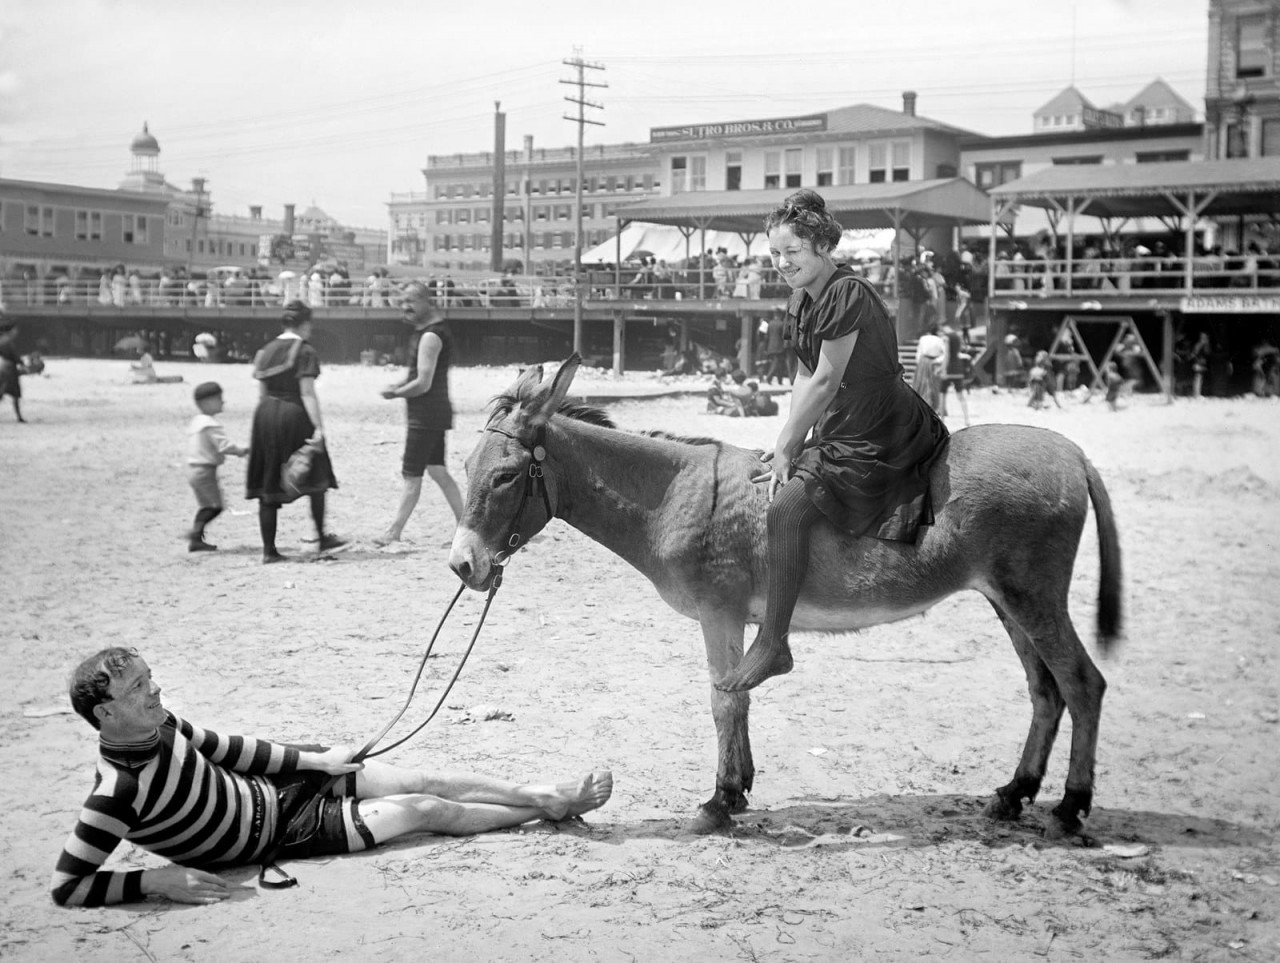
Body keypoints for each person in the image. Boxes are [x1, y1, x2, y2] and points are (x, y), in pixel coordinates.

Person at [51, 647, 613, 908]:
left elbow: (234, 750)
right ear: (104, 714)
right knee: (423, 809)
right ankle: (546, 810)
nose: (155, 692)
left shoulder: (164, 723)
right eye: (138, 689)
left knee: (420, 776)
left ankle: (538, 792)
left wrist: (316, 762)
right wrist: (155, 882)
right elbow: (67, 887)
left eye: (151, 678)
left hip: (282, 787)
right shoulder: (115, 795)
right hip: (280, 835)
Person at [717, 189, 948, 691]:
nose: (781, 263)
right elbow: (804, 376)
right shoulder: (801, 299)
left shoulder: (847, 293)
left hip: (880, 424)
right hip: (841, 421)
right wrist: (790, 439)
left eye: (792, 253)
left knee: (785, 509)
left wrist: (787, 445)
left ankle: (774, 642)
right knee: (777, 479)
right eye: (774, 254)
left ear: (823, 246)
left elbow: (826, 379)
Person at [245, 301, 345, 563]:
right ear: (305, 323)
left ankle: (269, 551)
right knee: (316, 474)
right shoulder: (305, 350)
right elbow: (307, 392)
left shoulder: (265, 351)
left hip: (265, 415)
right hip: (293, 413)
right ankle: (321, 537)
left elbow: (262, 393)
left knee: (268, 482)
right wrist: (319, 428)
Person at [375, 282, 464, 547]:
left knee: (411, 475)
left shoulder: (430, 336)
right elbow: (422, 377)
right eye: (402, 302)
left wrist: (396, 393)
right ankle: (466, 526)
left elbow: (423, 383)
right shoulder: (431, 331)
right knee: (438, 472)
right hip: (434, 414)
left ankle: (394, 531)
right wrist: (400, 387)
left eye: (411, 301)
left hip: (425, 417)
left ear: (427, 301)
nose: (405, 307)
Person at [185, 382, 249, 552]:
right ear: (207, 403)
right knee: (215, 506)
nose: (223, 402)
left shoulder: (196, 422)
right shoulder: (210, 424)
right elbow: (224, 446)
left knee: (206, 506)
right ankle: (195, 535)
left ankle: (196, 538)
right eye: (219, 399)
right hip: (205, 470)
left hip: (193, 469)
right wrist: (242, 451)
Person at [939, 321, 971, 426]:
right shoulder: (958, 336)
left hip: (949, 368)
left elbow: (947, 354)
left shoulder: (946, 338)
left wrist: (942, 368)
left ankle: (942, 420)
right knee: (961, 395)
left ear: (943, 327)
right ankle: (966, 419)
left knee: (942, 394)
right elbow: (958, 351)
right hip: (958, 367)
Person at [911, 323, 946, 415]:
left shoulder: (923, 338)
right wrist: (938, 361)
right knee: (933, 384)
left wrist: (919, 363)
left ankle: (920, 405)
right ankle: (934, 406)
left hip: (923, 361)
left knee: (921, 384)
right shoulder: (940, 340)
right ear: (937, 332)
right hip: (933, 362)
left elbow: (919, 352)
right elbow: (944, 354)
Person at [0, 318, 26, 422]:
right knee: (15, 394)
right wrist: (21, 362)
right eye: (16, 329)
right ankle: (19, 417)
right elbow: (13, 356)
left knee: (2, 392)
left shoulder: (3, 340)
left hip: (3, 367)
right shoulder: (7, 342)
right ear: (11, 330)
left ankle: (19, 416)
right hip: (9, 370)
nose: (17, 332)